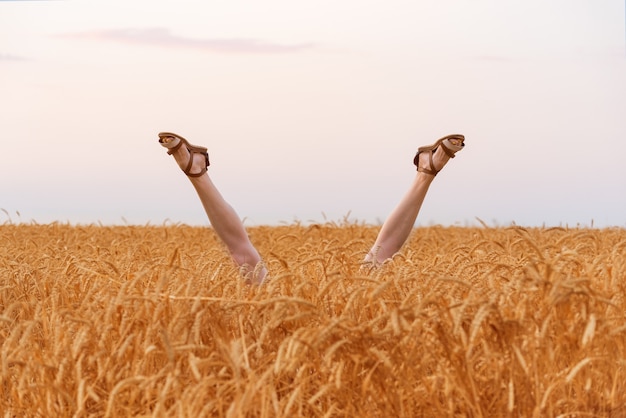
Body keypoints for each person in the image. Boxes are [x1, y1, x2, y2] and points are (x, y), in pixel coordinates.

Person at [158, 132, 465, 284]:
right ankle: (426, 170)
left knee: (243, 254)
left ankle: (196, 170)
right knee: (378, 258)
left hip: (339, 325)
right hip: (294, 326)